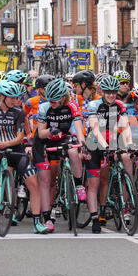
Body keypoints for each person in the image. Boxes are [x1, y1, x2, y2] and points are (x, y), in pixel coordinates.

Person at [0, 80, 50, 234]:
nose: (15, 100)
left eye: (16, 97)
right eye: (11, 97)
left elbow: (20, 137)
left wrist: (6, 144)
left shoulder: (18, 112)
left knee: (34, 184)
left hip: (15, 150)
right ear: (2, 97)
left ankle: (38, 222)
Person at [33, 78, 87, 232]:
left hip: (64, 137)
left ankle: (78, 185)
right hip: (45, 142)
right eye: (50, 100)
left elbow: (78, 127)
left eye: (56, 100)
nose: (53, 103)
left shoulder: (72, 106)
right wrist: (50, 131)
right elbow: (41, 133)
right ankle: (47, 218)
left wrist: (82, 143)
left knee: (73, 151)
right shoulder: (44, 108)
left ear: (64, 97)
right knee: (46, 181)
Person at [86, 75, 134, 233]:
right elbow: (94, 128)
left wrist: (129, 143)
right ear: (102, 91)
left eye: (114, 92)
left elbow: (125, 126)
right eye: (108, 92)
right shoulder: (94, 105)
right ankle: (94, 218)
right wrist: (106, 145)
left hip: (112, 141)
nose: (111, 95)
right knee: (94, 183)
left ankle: (103, 209)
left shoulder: (120, 106)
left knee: (105, 178)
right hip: (94, 143)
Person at [24, 74, 55, 141]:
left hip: (53, 137)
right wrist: (28, 133)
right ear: (40, 89)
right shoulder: (31, 101)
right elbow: (23, 116)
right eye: (48, 88)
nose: (51, 91)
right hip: (36, 137)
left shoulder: (57, 101)